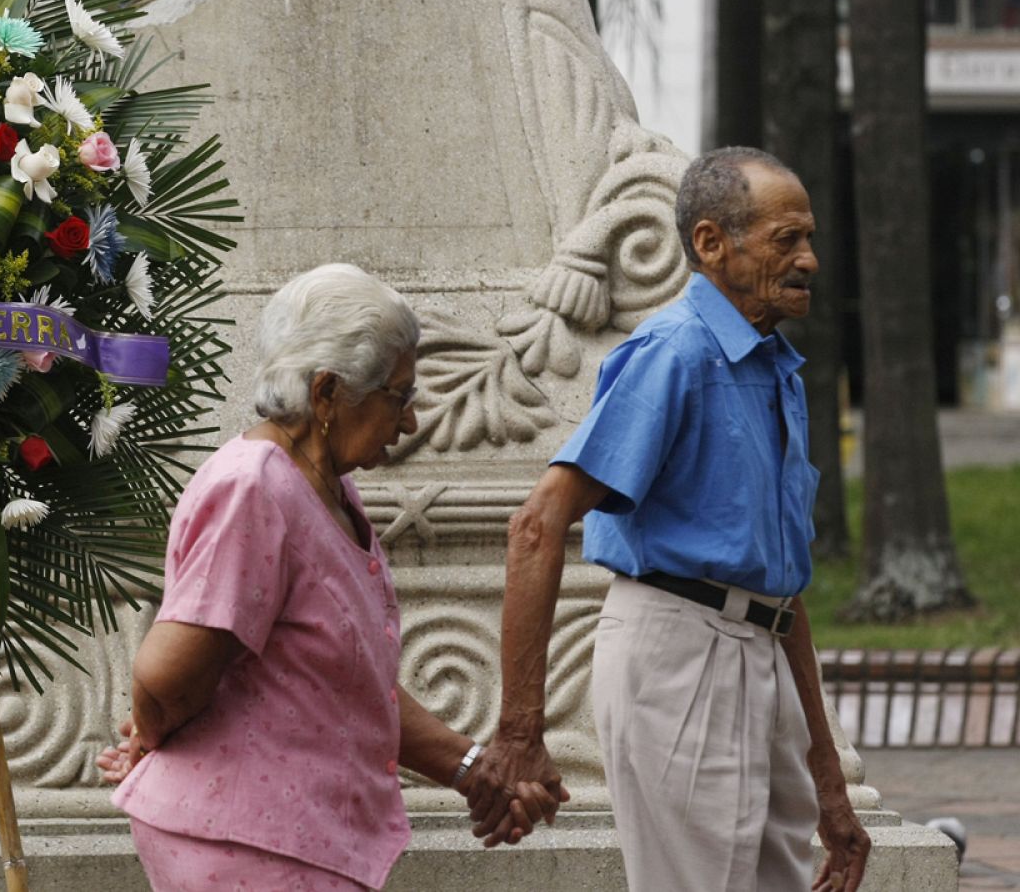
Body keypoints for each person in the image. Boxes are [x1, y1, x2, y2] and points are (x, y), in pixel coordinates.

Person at [463, 147, 873, 891]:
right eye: (787, 239)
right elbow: (538, 521)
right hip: (681, 655)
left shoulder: (772, 369)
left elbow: (784, 586)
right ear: (713, 243)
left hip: (760, 651)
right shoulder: (675, 351)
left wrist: (827, 771)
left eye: (810, 238)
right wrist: (521, 733)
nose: (809, 260)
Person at [95, 263, 561, 891]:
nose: (411, 421)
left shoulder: (325, 487)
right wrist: (147, 738)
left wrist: (475, 770)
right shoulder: (254, 487)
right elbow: (165, 678)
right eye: (398, 395)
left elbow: (345, 685)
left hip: (289, 840)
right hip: (244, 842)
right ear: (325, 394)